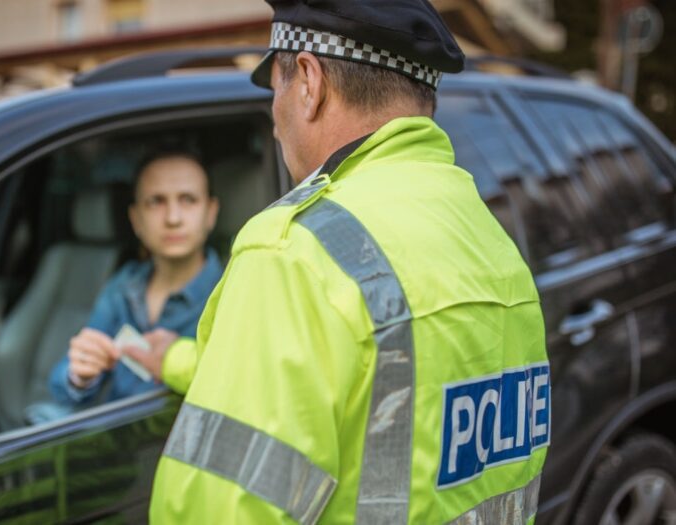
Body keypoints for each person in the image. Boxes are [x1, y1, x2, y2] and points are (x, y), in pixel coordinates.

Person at [140, 1, 550, 523]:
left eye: (276, 90)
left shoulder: (297, 252)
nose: (274, 121)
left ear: (309, 82)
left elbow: (223, 507)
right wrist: (174, 360)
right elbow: (364, 376)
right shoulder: (489, 240)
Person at [49, 151, 222, 408]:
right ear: (135, 219)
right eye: (156, 202)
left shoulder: (231, 293)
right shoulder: (125, 284)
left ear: (211, 213)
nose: (173, 218)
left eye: (188, 200)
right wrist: (80, 374)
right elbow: (62, 384)